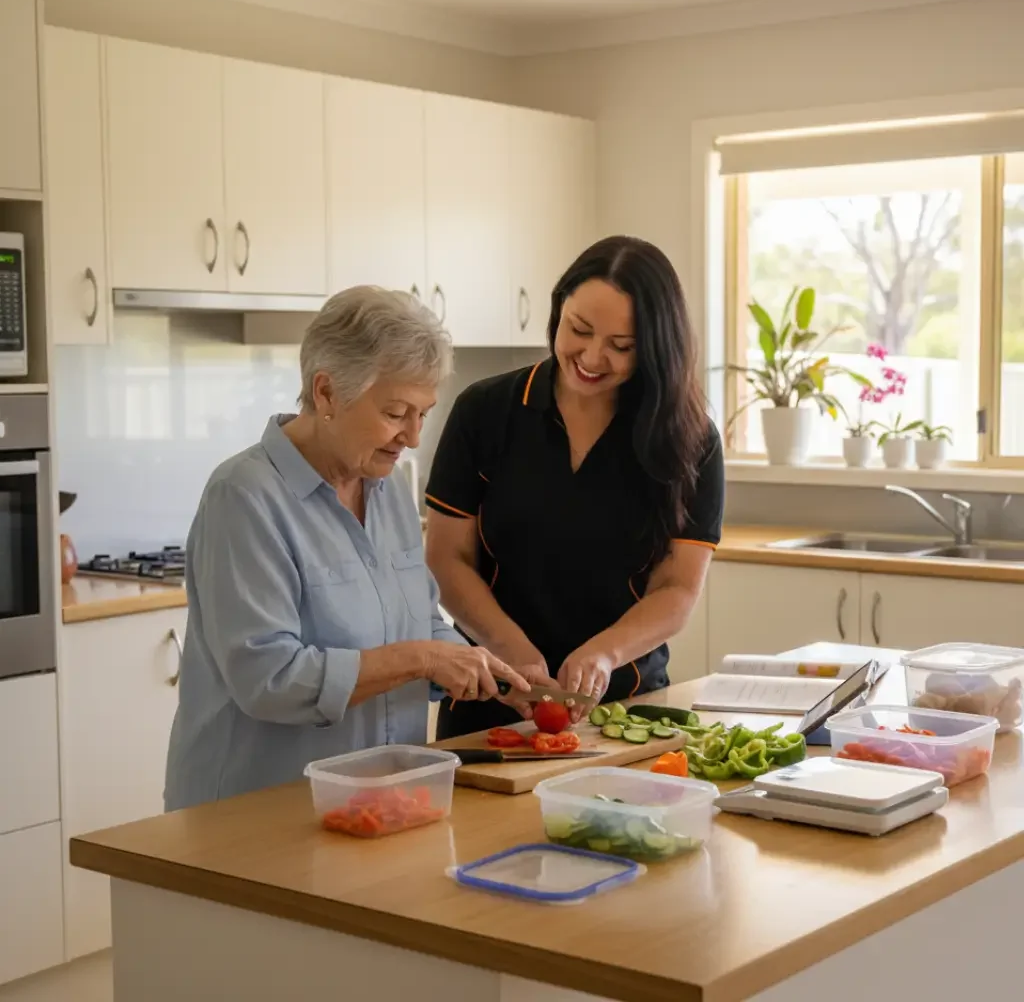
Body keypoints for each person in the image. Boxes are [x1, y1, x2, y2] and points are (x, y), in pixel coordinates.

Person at [164, 286, 528, 811]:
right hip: (257, 813)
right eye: (396, 412)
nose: (413, 436)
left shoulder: (391, 491)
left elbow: (419, 622)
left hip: (380, 801)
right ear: (327, 393)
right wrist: (422, 658)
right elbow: (269, 678)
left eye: (423, 413)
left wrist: (478, 664)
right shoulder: (243, 497)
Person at [424, 235, 724, 738]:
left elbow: (677, 589)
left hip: (628, 712)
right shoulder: (485, 412)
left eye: (621, 347)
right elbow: (447, 559)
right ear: (557, 308)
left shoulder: (690, 439)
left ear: (654, 347)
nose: (591, 356)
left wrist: (605, 652)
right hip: (491, 701)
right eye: (578, 329)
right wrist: (510, 648)